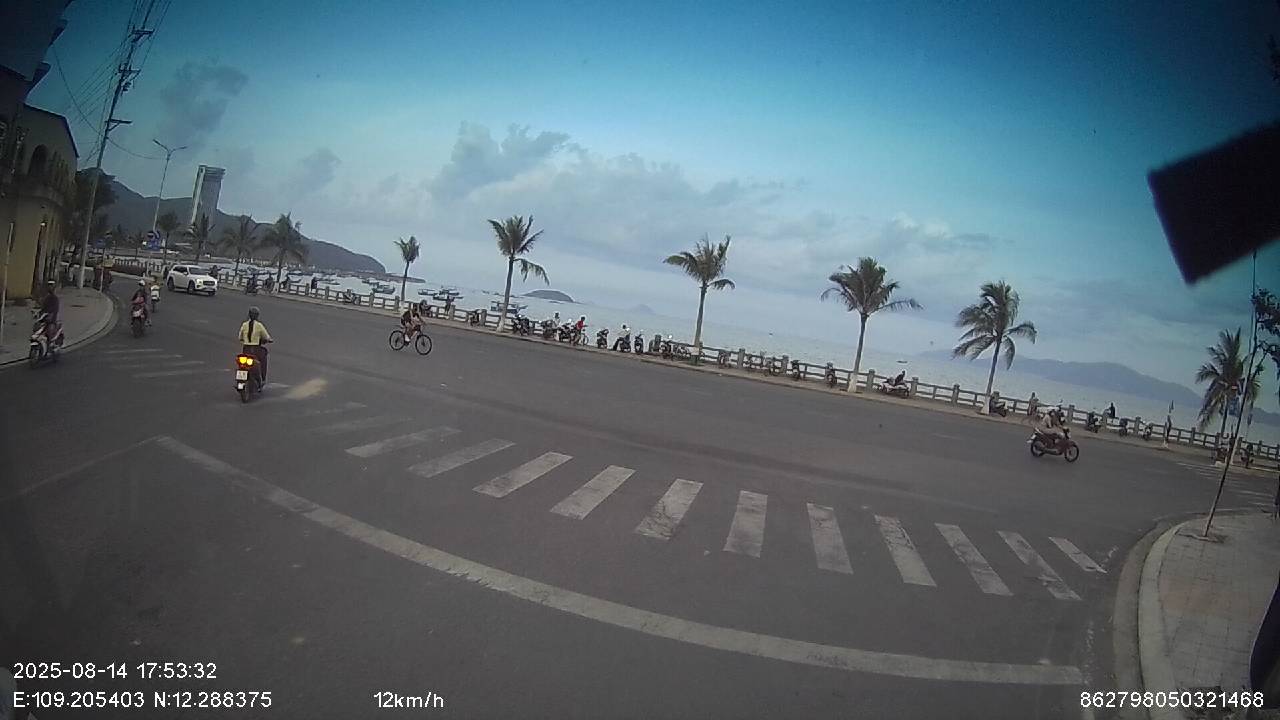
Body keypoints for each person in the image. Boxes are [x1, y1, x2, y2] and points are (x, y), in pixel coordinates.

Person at [238, 306, 273, 384]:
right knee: (263, 359)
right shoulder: (259, 325)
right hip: (256, 350)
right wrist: (269, 340)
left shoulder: (244, 325)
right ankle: (262, 378)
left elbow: (240, 337)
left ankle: (241, 379)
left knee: (241, 364)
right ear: (257, 315)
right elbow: (266, 337)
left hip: (246, 349)